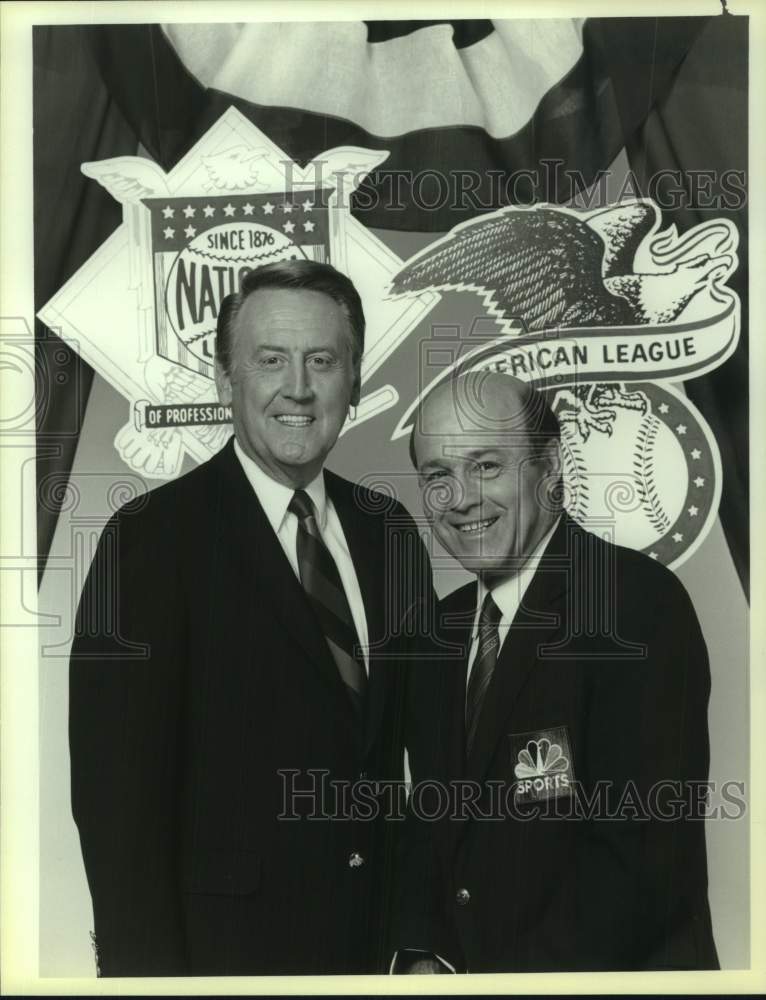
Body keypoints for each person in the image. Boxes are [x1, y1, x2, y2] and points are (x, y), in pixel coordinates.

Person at [69, 260, 434, 976]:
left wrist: (420, 941)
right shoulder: (148, 540)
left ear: (355, 382)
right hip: (225, 963)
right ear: (223, 380)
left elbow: (425, 761)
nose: (298, 387)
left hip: (378, 956)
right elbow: (116, 805)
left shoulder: (387, 530)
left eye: (322, 361)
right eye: (271, 360)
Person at [394, 371, 718, 973]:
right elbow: (432, 821)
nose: (460, 497)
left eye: (487, 465)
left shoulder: (634, 606)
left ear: (552, 467)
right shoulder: (435, 632)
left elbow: (642, 863)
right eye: (438, 475)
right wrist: (421, 952)